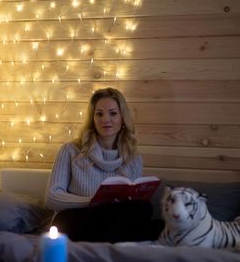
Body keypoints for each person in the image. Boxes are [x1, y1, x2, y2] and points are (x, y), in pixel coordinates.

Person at [44, 87, 164, 243]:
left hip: (111, 220)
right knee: (65, 220)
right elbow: (52, 198)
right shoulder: (71, 151)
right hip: (76, 220)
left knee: (145, 209)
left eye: (113, 113)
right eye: (99, 114)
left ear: (122, 119)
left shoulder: (134, 158)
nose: (105, 119)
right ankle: (121, 238)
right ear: (93, 119)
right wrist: (93, 201)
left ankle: (111, 238)